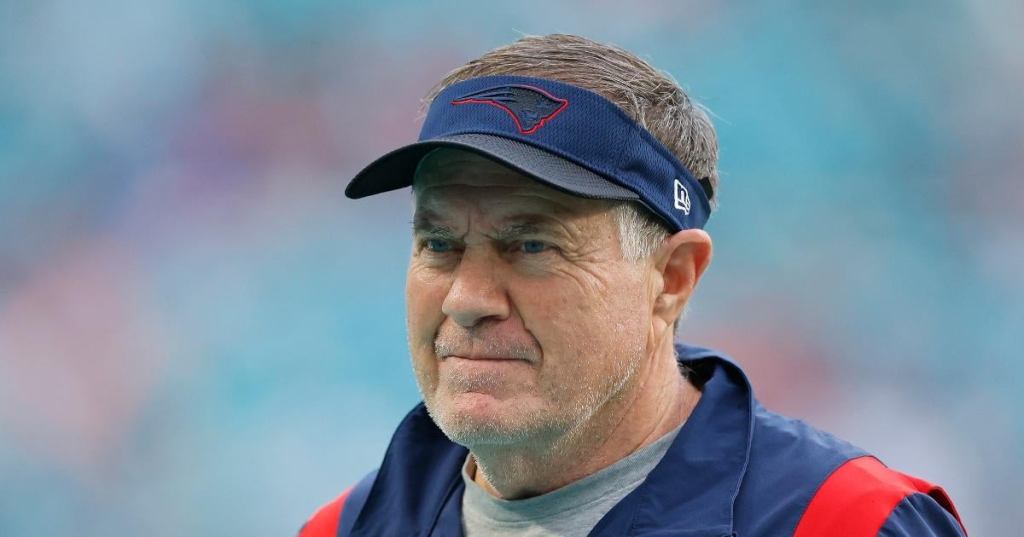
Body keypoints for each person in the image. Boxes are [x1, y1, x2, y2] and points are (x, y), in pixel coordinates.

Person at [299, 34, 968, 536]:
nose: (468, 299)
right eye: (439, 244)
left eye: (531, 246)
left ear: (672, 278)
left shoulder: (847, 521)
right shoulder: (339, 529)